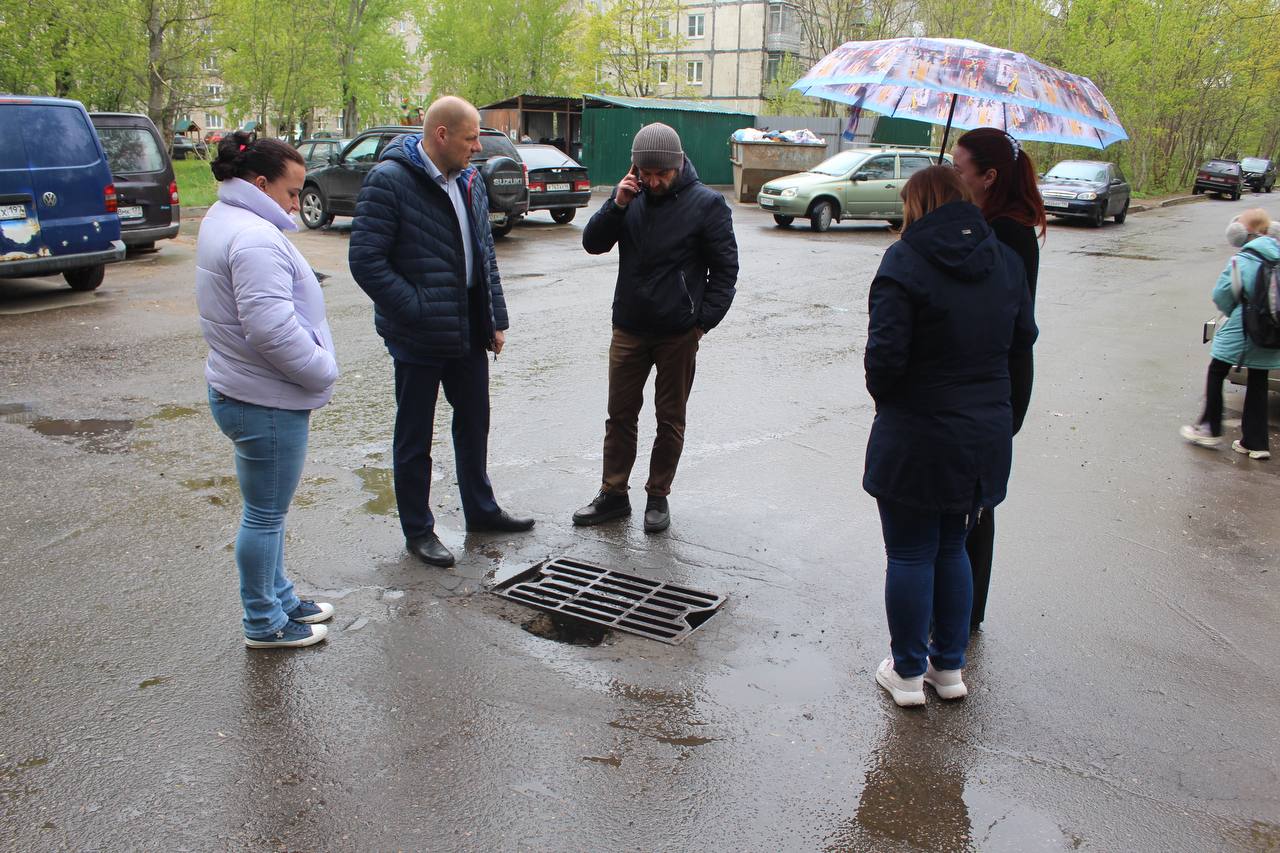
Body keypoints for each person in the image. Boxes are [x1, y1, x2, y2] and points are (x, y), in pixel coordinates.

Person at [864, 166, 1037, 706]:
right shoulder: (1006, 260)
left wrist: (890, 399)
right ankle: (949, 667)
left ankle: (907, 673)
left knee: (910, 552)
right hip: (981, 433)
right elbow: (1021, 342)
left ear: (917, 205)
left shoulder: (904, 260)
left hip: (917, 430)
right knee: (952, 546)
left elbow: (885, 359)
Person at [349, 96, 533, 569]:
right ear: (441, 135)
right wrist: (415, 308)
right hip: (417, 334)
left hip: (468, 327)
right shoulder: (390, 180)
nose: (478, 147)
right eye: (471, 138)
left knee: (474, 423)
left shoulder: (470, 180)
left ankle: (482, 511)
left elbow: (484, 255)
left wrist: (494, 318)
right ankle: (419, 531)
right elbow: (366, 261)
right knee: (415, 436)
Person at [196, 131, 338, 649]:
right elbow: (271, 330)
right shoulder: (255, 237)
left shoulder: (228, 217)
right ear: (260, 184)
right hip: (265, 399)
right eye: (292, 192)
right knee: (264, 515)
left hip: (246, 389)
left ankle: (279, 597)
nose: (297, 203)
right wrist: (321, 371)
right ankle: (265, 622)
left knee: (268, 512)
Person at [573, 123, 739, 533]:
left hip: (677, 334)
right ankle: (613, 494)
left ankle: (658, 495)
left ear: (678, 164)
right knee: (619, 416)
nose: (652, 181)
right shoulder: (630, 198)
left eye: (660, 173)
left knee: (670, 419)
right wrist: (617, 204)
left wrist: (701, 324)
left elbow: (725, 271)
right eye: (645, 173)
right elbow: (593, 243)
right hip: (628, 327)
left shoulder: (707, 204)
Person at [950, 127, 1047, 633]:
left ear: (988, 176)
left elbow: (1004, 318)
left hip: (998, 381)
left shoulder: (1007, 232)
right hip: (992, 379)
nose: (953, 174)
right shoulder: (994, 223)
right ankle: (963, 608)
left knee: (974, 502)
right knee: (969, 496)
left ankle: (966, 612)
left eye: (958, 168)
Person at [1180, 208, 1280, 459]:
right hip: (1273, 332)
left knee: (1216, 371)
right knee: (1258, 381)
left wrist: (1232, 313)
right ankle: (1256, 444)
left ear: (1243, 233)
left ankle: (1209, 428)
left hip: (1243, 329)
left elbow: (1223, 295)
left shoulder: (1242, 260)